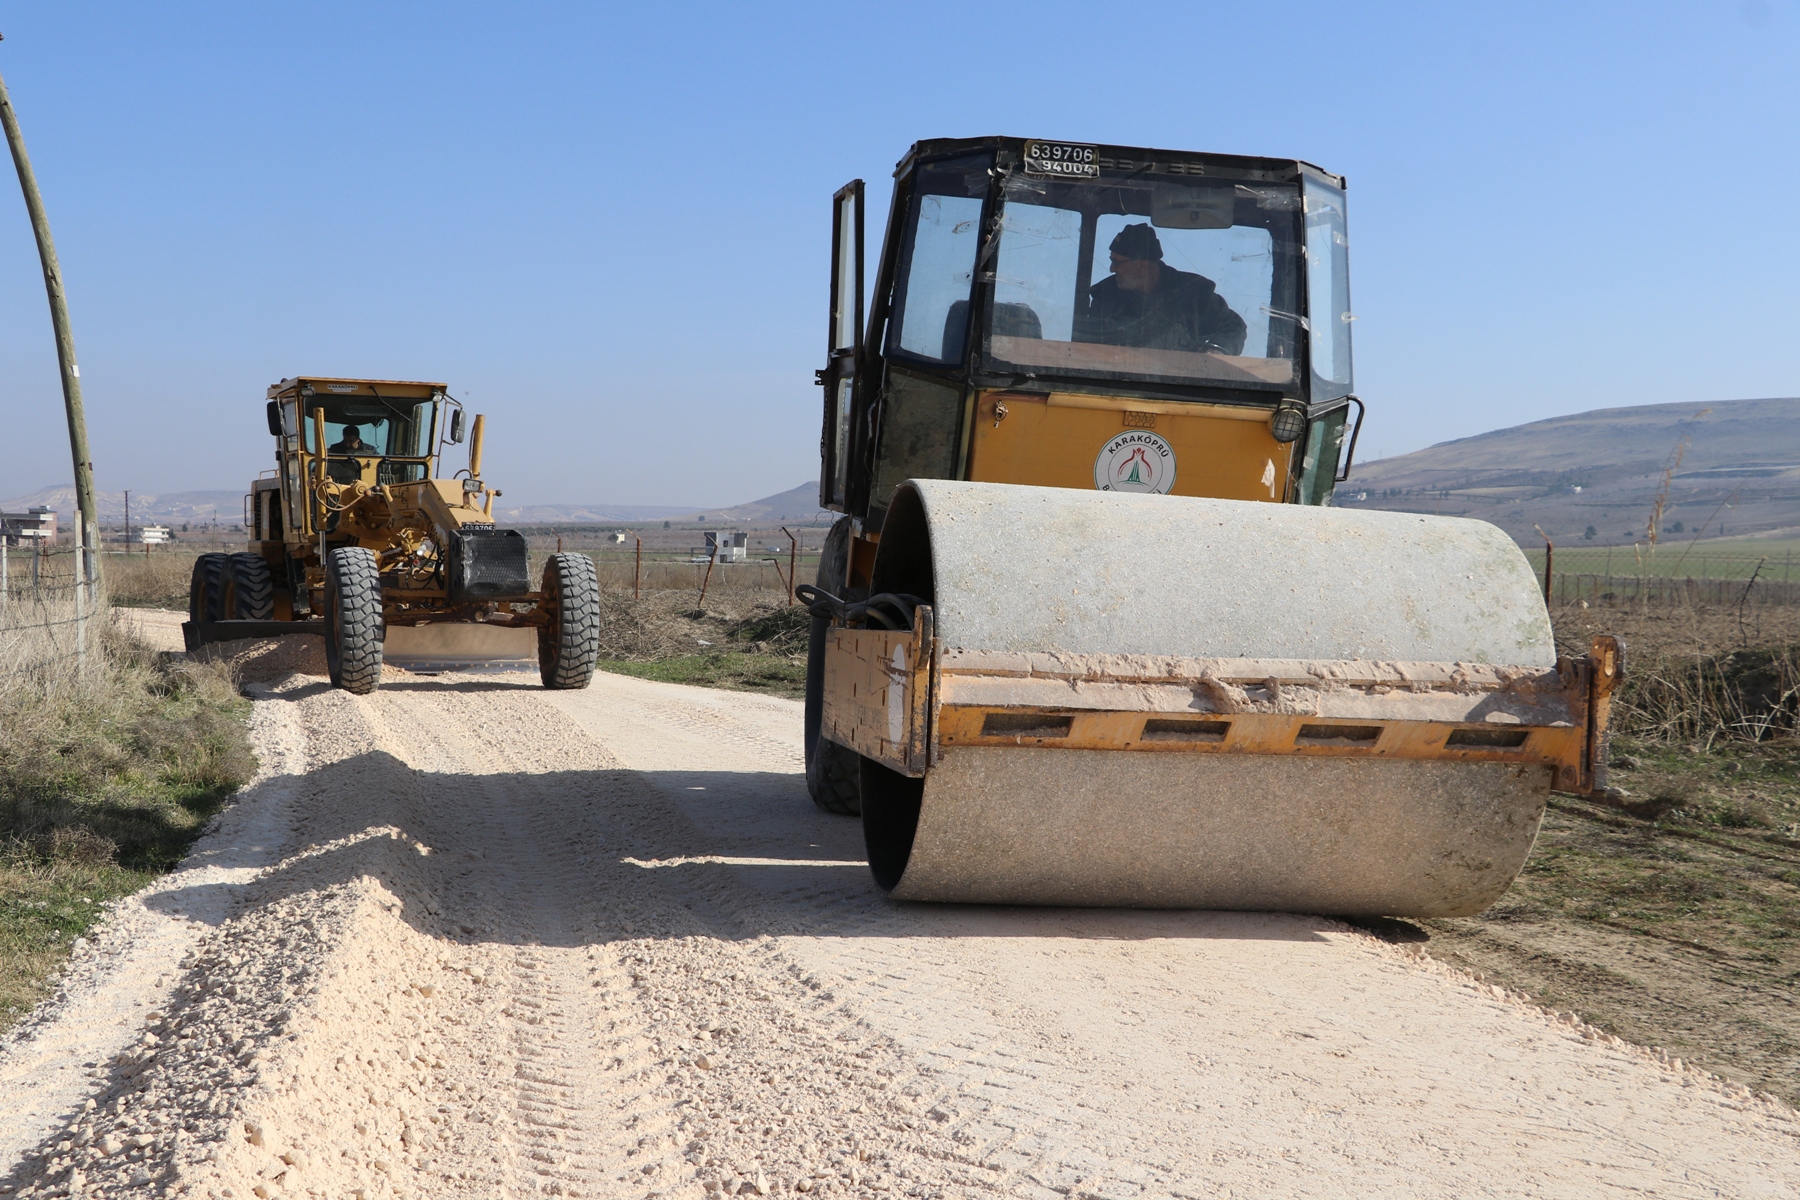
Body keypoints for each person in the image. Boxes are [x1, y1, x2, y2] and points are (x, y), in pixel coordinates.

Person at [1078, 223, 1247, 355]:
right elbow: (1087, 343)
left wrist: (1217, 351)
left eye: (1117, 263)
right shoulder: (1105, 296)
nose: (1112, 269)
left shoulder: (1194, 294)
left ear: (1142, 266)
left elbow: (1234, 327)